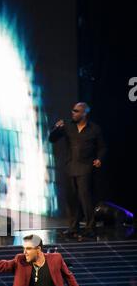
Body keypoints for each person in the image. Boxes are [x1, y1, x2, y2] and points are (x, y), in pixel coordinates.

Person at [49, 102, 106, 238]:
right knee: (71, 199)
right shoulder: (68, 126)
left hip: (85, 167)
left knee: (85, 198)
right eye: (73, 110)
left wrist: (99, 158)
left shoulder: (94, 129)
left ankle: (90, 227)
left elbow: (102, 147)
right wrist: (56, 128)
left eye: (76, 111)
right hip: (70, 167)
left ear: (84, 113)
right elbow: (52, 139)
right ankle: (73, 227)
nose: (72, 113)